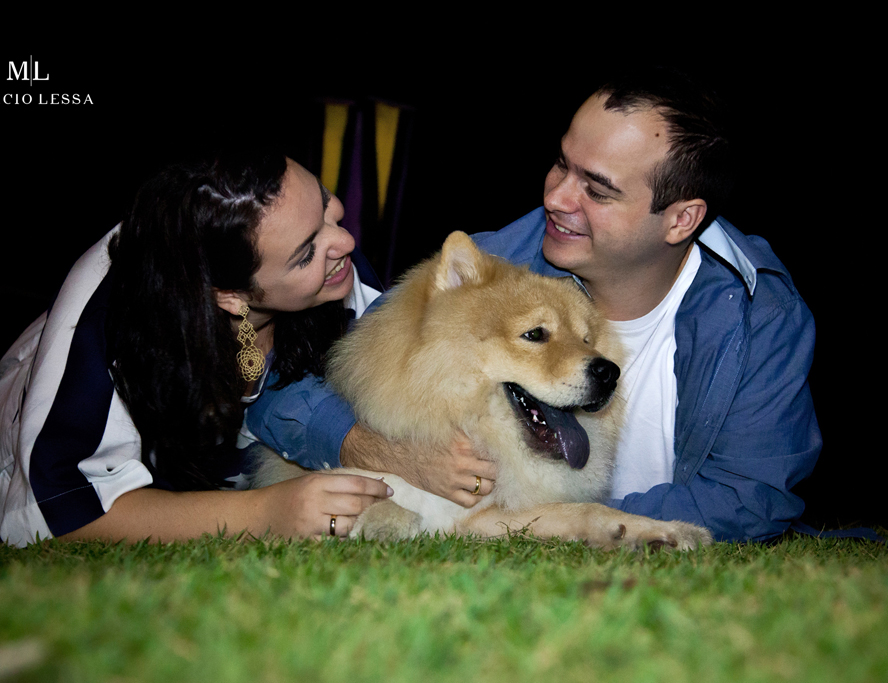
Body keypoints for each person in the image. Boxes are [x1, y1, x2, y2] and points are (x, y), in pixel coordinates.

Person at [247, 68, 821, 543]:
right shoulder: (495, 272)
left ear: (680, 219)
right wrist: (370, 444)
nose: (555, 197)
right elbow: (287, 393)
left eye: (596, 190)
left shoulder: (760, 316)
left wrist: (553, 517)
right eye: (561, 164)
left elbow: (754, 497)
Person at [0, 153, 394, 547]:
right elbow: (55, 508)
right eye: (306, 254)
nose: (344, 239)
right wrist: (265, 512)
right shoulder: (112, 318)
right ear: (230, 295)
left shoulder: (335, 265)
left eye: (325, 203)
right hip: (32, 423)